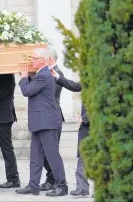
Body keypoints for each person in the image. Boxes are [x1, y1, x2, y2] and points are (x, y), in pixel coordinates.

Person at [15, 48, 68, 196]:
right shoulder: (41, 75)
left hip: (47, 122)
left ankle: (62, 186)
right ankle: (33, 185)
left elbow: (27, 91)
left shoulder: (44, 75)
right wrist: (29, 77)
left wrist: (24, 77)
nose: (32, 61)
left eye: (34, 58)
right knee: (35, 156)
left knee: (52, 156)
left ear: (43, 60)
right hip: (39, 122)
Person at [50, 68, 90, 196]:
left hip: (98, 124)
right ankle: (82, 188)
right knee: (83, 156)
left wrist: (85, 118)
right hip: (88, 126)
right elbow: (76, 86)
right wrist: (58, 77)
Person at [41, 50, 65, 191]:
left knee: (51, 151)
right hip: (46, 117)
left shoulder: (57, 73)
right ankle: (51, 178)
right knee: (44, 152)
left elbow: (49, 93)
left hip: (54, 116)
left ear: (49, 58)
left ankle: (55, 180)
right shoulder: (47, 73)